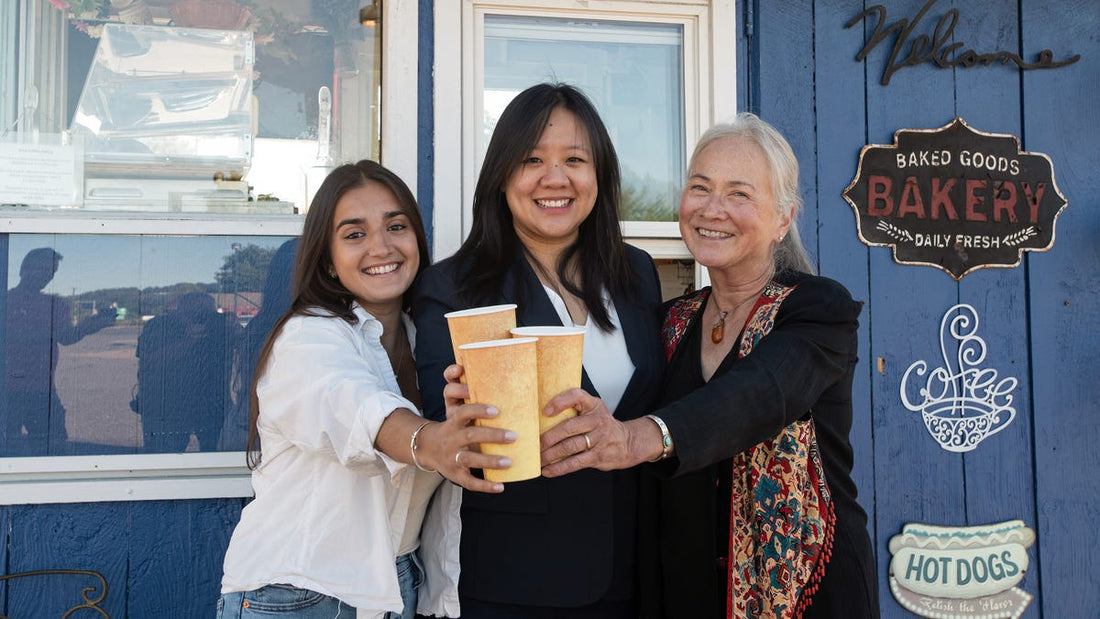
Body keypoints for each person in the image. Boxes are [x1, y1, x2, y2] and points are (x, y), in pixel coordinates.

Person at [536, 113, 879, 618]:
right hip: (685, 593)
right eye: (700, 187)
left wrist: (635, 438)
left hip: (805, 593)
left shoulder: (817, 310)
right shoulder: (670, 321)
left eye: (739, 194)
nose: (712, 209)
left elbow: (760, 394)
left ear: (783, 219)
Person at [217, 160, 515, 619]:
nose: (381, 246)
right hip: (299, 592)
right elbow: (352, 406)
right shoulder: (308, 337)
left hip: (397, 584)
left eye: (396, 226)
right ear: (329, 263)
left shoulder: (429, 341)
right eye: (354, 234)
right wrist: (433, 442)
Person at [410, 83, 665, 617]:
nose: (556, 178)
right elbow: (445, 434)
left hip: (636, 575)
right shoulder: (453, 290)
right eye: (531, 160)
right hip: (514, 585)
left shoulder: (636, 273)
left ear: (599, 176)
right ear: (503, 175)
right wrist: (461, 422)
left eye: (575, 159)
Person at [2, 247, 116, 456]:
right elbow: (12, 335)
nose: (48, 276)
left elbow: (66, 337)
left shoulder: (56, 303)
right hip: (6, 391)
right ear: (24, 269)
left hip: (43, 391)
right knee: (8, 449)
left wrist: (92, 325)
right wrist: (49, 334)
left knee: (53, 448)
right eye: (43, 270)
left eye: (52, 272)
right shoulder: (5, 300)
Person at [135, 291, 239, 452]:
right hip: (166, 405)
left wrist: (235, 329)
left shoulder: (219, 325)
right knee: (163, 456)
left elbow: (251, 351)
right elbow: (150, 360)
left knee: (219, 455)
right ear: (179, 311)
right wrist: (190, 340)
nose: (201, 318)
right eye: (194, 313)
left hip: (212, 403)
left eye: (207, 313)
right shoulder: (160, 326)